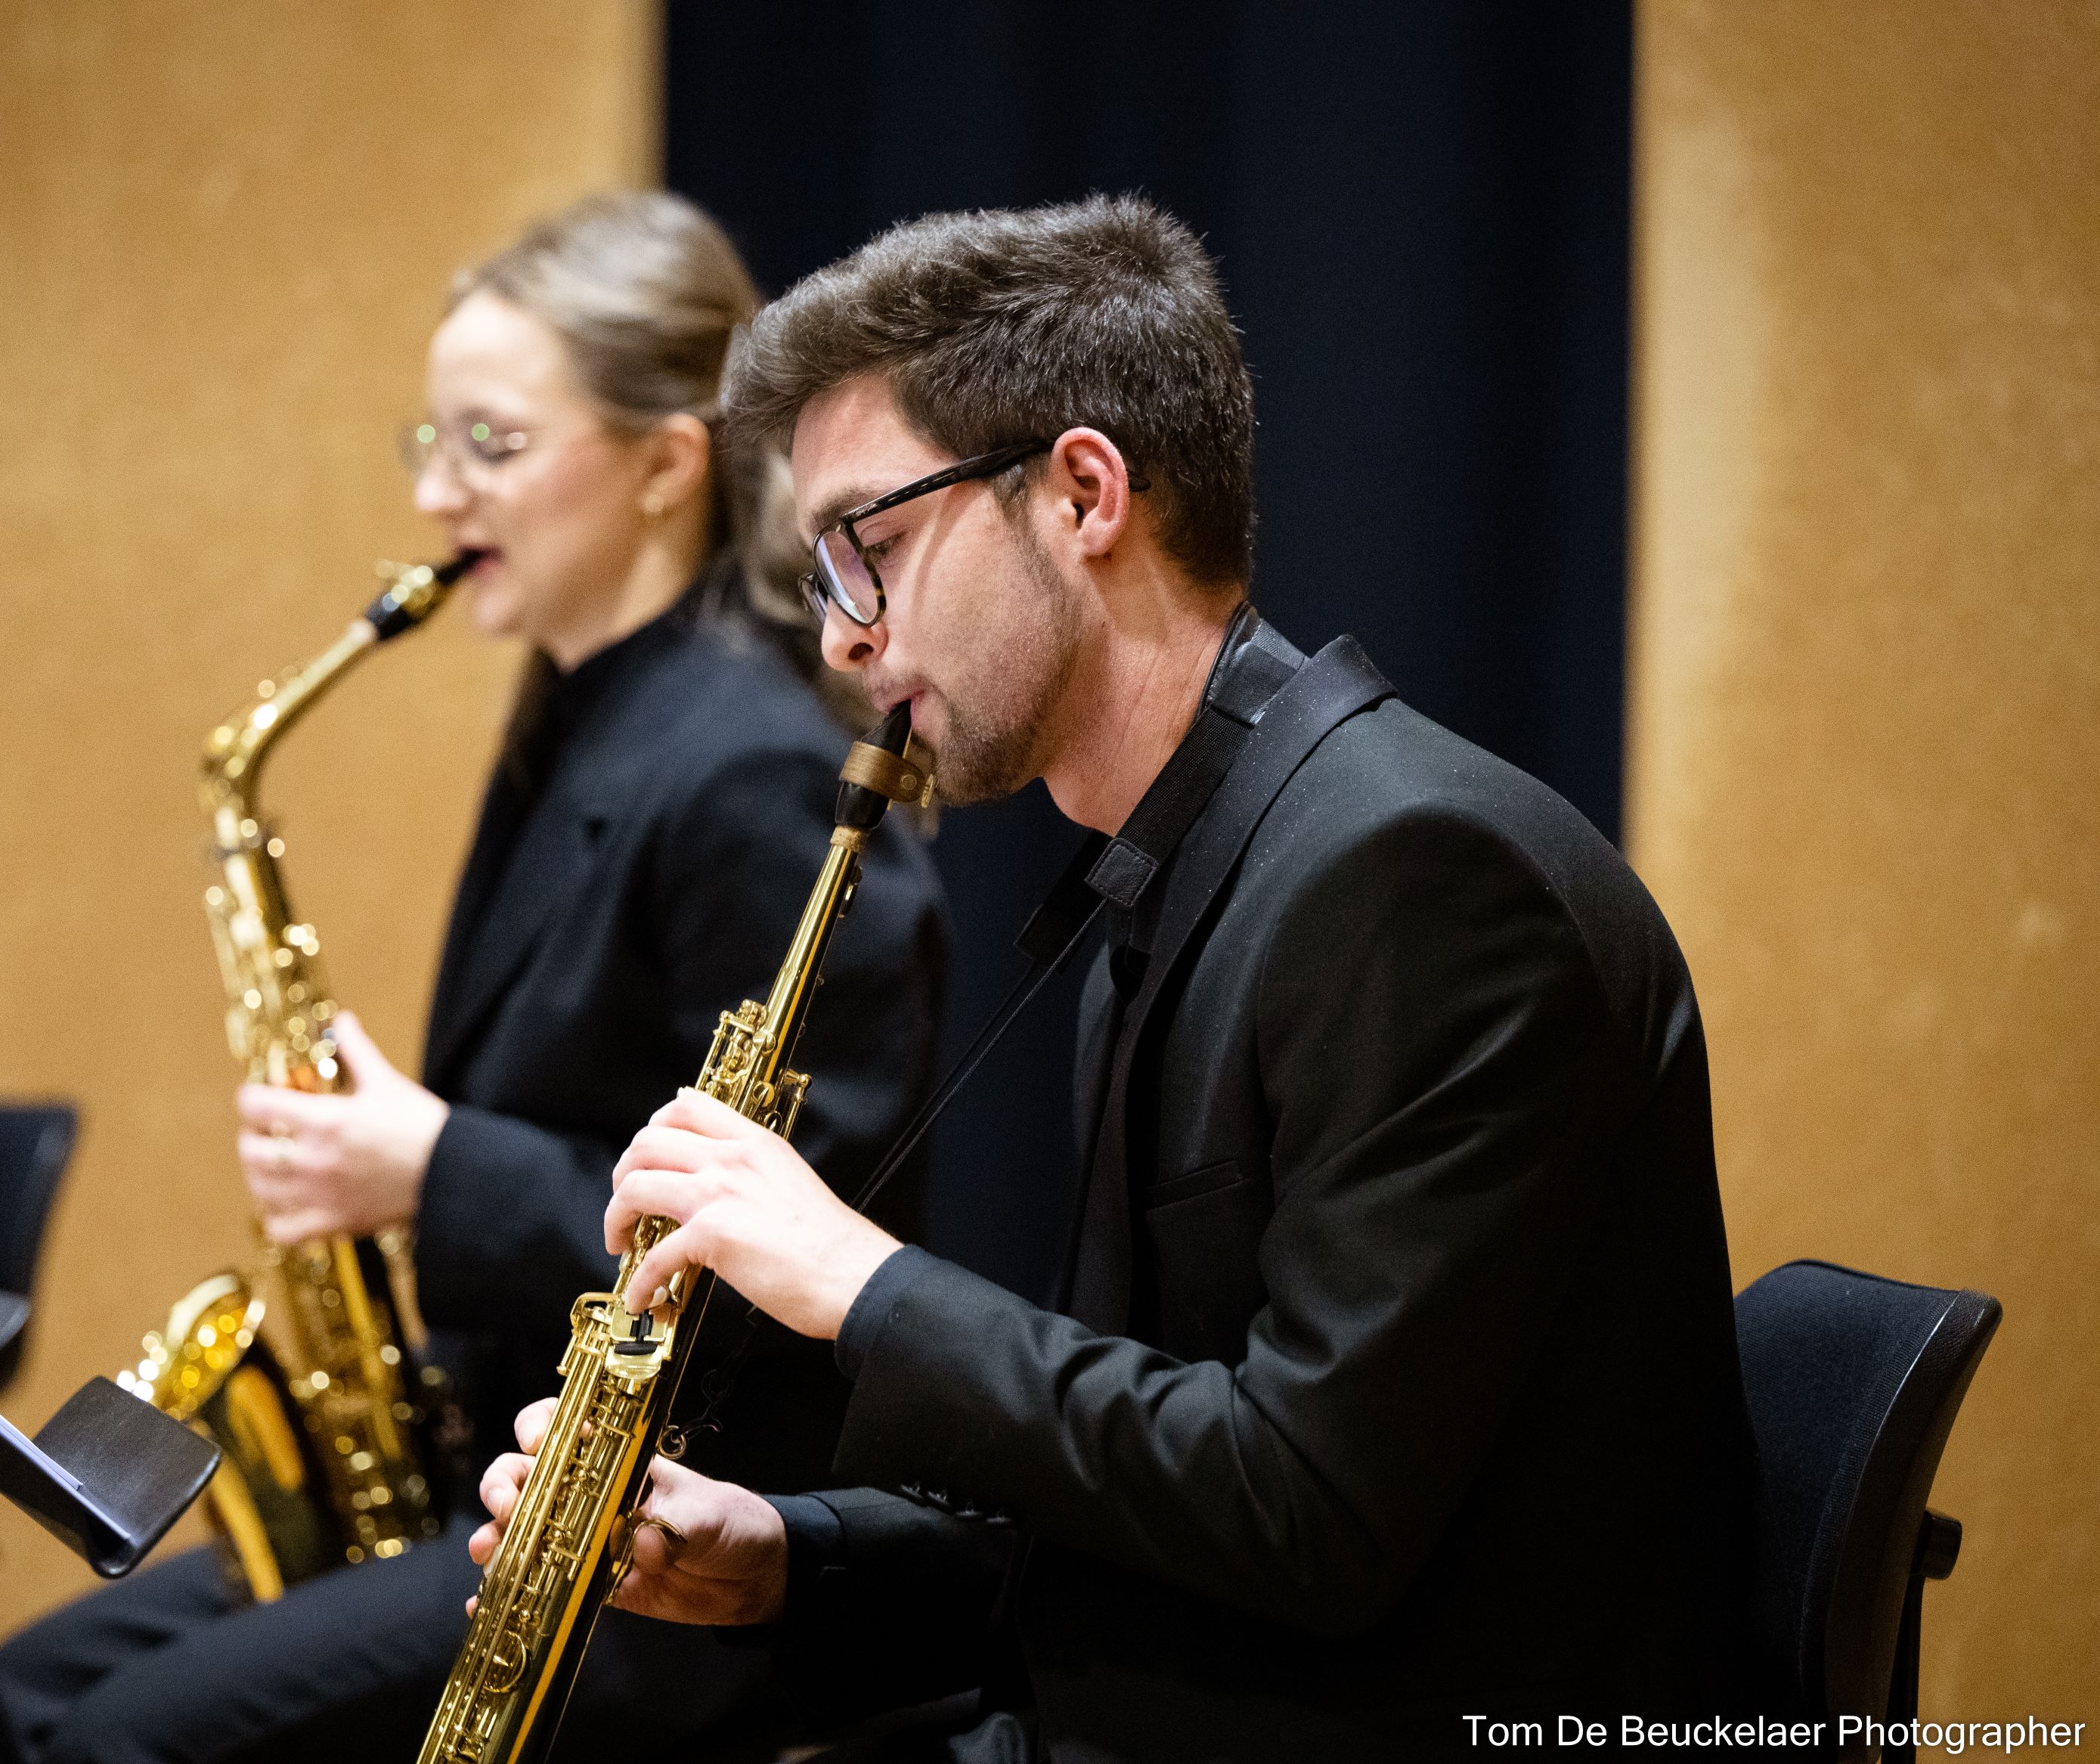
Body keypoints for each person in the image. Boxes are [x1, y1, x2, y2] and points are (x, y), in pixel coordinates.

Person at [473, 195, 1758, 1759]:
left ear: (1083, 492)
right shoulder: (1190, 868)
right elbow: (1149, 1502)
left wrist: (861, 1281)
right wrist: (788, 1559)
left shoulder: (1413, 876)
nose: (842, 639)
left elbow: (1311, 1511)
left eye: (872, 546)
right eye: (822, 572)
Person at [0, 192, 947, 1764]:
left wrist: (427, 1167)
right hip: (497, 1466)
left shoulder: (750, 772)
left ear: (664, 464)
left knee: (113, 1745)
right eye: (430, 439)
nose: (431, 493)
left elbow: (790, 1266)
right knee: (11, 1701)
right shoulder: (580, 710)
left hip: (666, 1529)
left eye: (490, 443)